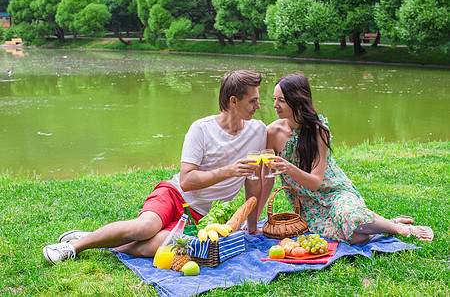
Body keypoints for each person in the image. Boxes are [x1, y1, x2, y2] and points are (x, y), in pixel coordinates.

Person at [43, 70, 267, 263]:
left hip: (202, 216)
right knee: (145, 228)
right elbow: (187, 181)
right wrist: (229, 171)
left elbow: (253, 182)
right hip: (175, 194)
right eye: (252, 101)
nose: (258, 106)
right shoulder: (201, 129)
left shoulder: (257, 131)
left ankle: (104, 240)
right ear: (233, 101)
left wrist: (253, 225)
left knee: (163, 245)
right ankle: (73, 247)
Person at [258, 72, 433, 245]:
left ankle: (401, 229)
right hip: (309, 205)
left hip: (336, 192)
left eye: (281, 100)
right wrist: (254, 222)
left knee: (351, 218)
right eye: (275, 99)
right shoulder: (272, 132)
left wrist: (288, 168)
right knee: (355, 237)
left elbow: (316, 182)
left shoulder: (319, 131)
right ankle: (387, 222)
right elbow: (267, 182)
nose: (275, 105)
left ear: (297, 101)